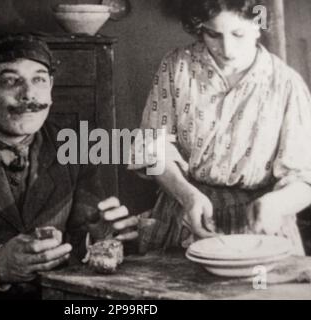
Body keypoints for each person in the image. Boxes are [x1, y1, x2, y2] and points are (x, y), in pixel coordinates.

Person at [0, 33, 138, 299]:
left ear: (51, 87)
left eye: (39, 80)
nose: (29, 94)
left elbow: (80, 242)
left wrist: (97, 238)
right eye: (11, 81)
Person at [129, 0, 311, 255]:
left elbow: (305, 178)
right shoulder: (177, 67)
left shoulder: (286, 84)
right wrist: (187, 196)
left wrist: (277, 204)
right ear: (199, 28)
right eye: (213, 34)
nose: (226, 48)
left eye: (238, 34)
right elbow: (153, 149)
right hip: (186, 216)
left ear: (258, 26)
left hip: (260, 230)